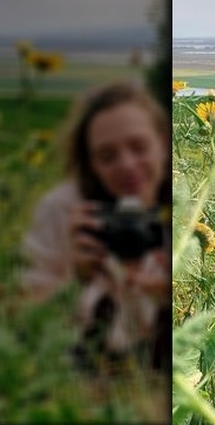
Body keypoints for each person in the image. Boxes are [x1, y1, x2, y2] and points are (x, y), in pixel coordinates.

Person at [20, 80, 171, 372]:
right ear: (90, 164)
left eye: (138, 147)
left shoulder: (187, 205)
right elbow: (29, 323)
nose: (127, 164)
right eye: (107, 156)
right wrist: (76, 280)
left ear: (163, 143)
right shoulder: (65, 211)